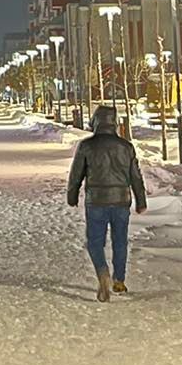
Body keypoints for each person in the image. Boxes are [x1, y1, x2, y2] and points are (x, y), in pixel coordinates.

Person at [66, 104, 147, 301]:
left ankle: (103, 273)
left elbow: (76, 173)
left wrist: (72, 194)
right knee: (120, 240)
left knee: (95, 242)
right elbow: (135, 176)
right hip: (121, 200)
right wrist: (141, 200)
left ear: (95, 122)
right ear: (115, 123)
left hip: (96, 200)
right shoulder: (126, 147)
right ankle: (119, 280)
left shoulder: (87, 146)